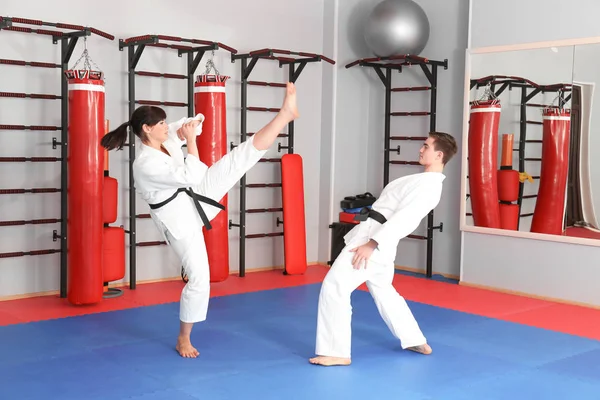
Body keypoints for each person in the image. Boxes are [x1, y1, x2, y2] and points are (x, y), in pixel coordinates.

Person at [101, 82, 299, 358]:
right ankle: (184, 338)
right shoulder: (144, 163)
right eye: (161, 123)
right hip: (177, 218)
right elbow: (191, 174)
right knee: (199, 279)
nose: (167, 127)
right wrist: (191, 140)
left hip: (192, 195)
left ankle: (283, 116)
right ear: (147, 129)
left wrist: (193, 123)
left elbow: (188, 126)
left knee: (238, 159)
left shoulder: (165, 141)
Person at [309, 131, 458, 367]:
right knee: (384, 291)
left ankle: (336, 351)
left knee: (334, 287)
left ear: (438, 154)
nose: (421, 149)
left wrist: (371, 244)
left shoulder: (429, 187)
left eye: (426, 146)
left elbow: (405, 220)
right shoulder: (422, 181)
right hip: (376, 239)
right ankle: (413, 338)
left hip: (374, 242)